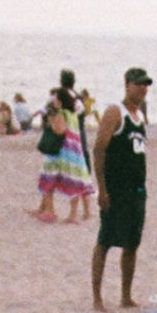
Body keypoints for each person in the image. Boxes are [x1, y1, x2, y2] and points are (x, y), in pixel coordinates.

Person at [92, 65, 150, 311]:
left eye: (145, 85)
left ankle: (126, 295)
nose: (142, 89)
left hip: (137, 189)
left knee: (132, 243)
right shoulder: (115, 112)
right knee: (105, 240)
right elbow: (99, 149)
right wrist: (102, 189)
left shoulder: (141, 115)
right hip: (116, 188)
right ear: (127, 84)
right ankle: (97, 297)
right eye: (138, 84)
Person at [31, 80, 93, 223]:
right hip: (75, 153)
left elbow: (59, 130)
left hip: (61, 153)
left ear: (60, 101)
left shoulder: (61, 113)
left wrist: (50, 122)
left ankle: (50, 211)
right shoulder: (73, 115)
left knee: (48, 178)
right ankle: (73, 214)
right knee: (74, 183)